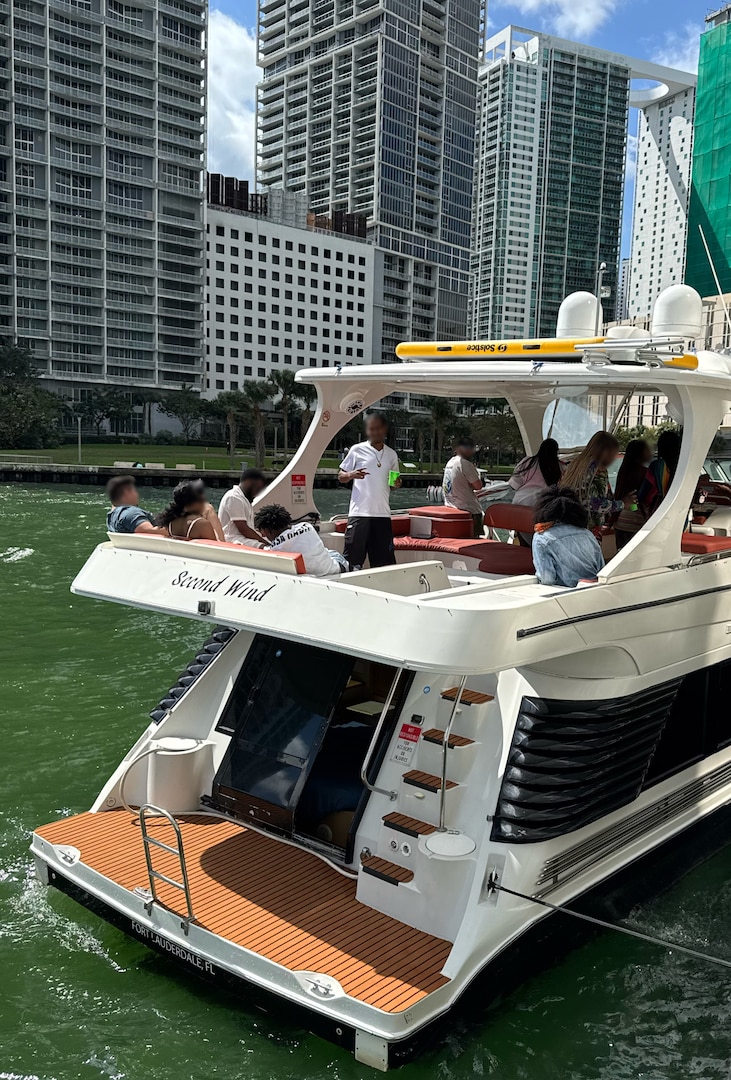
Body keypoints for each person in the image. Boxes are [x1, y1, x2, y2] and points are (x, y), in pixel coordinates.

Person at [338, 412, 401, 570]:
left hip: (382, 515)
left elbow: (393, 485)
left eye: (378, 429)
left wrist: (397, 483)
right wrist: (351, 474)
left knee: (384, 565)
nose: (375, 432)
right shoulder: (357, 450)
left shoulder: (391, 455)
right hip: (359, 514)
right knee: (352, 561)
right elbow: (341, 476)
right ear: (367, 431)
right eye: (371, 429)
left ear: (384, 430)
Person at [532, 485, 605, 588]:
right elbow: (601, 568)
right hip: (594, 590)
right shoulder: (587, 534)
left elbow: (546, 579)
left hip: (566, 594)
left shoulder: (542, 538)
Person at [562, 430, 634, 531]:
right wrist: (623, 504)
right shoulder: (597, 470)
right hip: (587, 528)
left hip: (570, 523)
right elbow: (595, 504)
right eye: (613, 455)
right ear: (606, 453)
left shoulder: (576, 464)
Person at [254, 504, 348, 577]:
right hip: (333, 569)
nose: (262, 535)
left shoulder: (274, 550)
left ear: (267, 530)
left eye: (262, 531)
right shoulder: (307, 526)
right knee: (330, 552)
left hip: (318, 574)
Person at [614, 438, 653, 549]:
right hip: (635, 523)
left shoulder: (624, 471)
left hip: (621, 521)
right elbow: (638, 503)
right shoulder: (645, 473)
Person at [442, 437, 485, 538]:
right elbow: (478, 486)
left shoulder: (450, 462)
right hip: (469, 509)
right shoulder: (465, 464)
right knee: (474, 541)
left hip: (451, 506)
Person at [218, 467, 268, 545]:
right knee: (263, 546)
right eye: (257, 489)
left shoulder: (244, 498)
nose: (257, 493)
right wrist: (266, 543)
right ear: (249, 483)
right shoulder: (233, 497)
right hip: (232, 538)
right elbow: (243, 529)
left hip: (242, 538)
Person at [639, 430, 682, 516]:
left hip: (661, 511)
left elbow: (642, 494)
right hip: (680, 512)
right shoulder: (682, 465)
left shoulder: (657, 466)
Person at [509, 438, 563, 507]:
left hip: (521, 501)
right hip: (544, 505)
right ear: (556, 452)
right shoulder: (560, 467)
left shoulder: (528, 462)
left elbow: (514, 484)